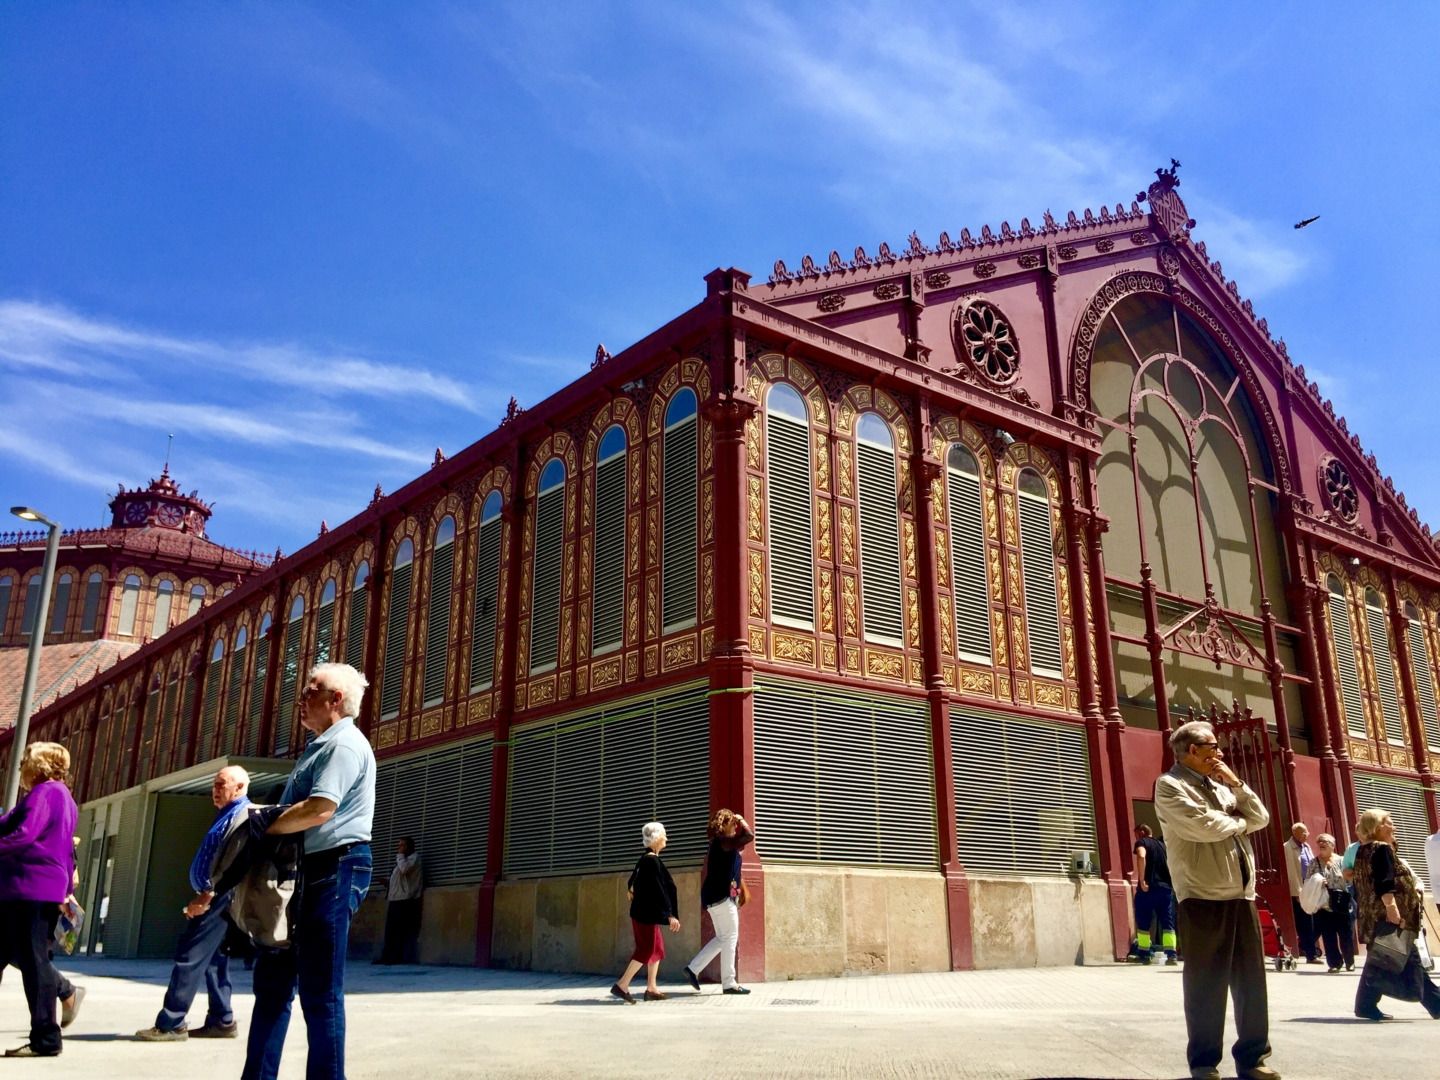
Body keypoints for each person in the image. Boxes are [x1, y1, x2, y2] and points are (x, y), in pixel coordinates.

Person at [230, 662, 376, 1079]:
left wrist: (263, 823)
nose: (303, 694)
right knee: (273, 986)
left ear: (336, 700)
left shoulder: (344, 745)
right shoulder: (318, 747)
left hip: (335, 869)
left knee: (320, 992)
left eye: (314, 688)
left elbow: (319, 809)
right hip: (301, 872)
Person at [1154, 721, 1278, 1080]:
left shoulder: (1222, 788)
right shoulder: (1169, 786)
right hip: (1202, 896)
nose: (1220, 753)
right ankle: (1205, 1063)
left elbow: (1262, 817)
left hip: (1243, 896)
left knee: (1252, 984)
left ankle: (1253, 1059)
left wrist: (1237, 786)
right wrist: (1237, 823)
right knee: (1205, 985)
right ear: (1192, 750)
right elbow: (1202, 827)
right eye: (1212, 746)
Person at [135, 765, 251, 1041]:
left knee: (190, 955)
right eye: (214, 784)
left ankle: (171, 1022)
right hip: (215, 895)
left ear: (239, 788)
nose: (215, 789)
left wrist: (207, 894)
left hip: (219, 897)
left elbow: (233, 864)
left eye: (221, 784)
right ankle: (222, 1020)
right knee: (213, 958)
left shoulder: (242, 816)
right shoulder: (226, 815)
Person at [0, 742, 80, 1058]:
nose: (21, 768)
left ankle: (47, 1038)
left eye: (25, 762)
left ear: (39, 765)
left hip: (29, 889)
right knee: (28, 958)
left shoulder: (46, 793)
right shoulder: (61, 796)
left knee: (36, 963)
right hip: (26, 890)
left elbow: (23, 834)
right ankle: (53, 1020)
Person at [1350, 807, 1440, 1021]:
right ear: (1379, 826)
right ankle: (1436, 1004)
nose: (1394, 826)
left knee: (1386, 959)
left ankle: (1365, 1004)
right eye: (1389, 822)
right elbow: (1384, 883)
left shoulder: (1363, 849)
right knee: (1406, 959)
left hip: (1373, 916)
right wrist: (1392, 910)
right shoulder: (1381, 849)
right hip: (1390, 916)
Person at [683, 808, 754, 994]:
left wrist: (740, 891)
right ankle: (729, 983)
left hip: (716, 897)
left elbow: (731, 869)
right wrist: (743, 821)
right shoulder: (723, 842)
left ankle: (693, 968)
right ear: (727, 824)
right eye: (734, 823)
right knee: (730, 938)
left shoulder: (721, 844)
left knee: (723, 938)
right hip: (721, 898)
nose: (736, 826)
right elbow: (749, 836)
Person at [611, 821, 680, 1004]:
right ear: (656, 838)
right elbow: (658, 890)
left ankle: (651, 988)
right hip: (646, 915)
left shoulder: (645, 860)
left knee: (656, 949)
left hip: (644, 913)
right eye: (664, 834)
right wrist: (669, 915)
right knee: (646, 949)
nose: (666, 837)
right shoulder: (651, 861)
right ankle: (622, 985)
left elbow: (632, 883)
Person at [1308, 833, 1354, 973]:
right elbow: (1308, 882)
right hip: (1324, 905)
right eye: (1319, 842)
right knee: (1328, 936)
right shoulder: (1314, 862)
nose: (1321, 844)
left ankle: (1349, 962)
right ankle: (1334, 963)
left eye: (1325, 842)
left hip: (1341, 902)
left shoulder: (1341, 860)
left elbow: (1349, 880)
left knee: (1346, 934)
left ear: (1332, 846)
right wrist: (1317, 882)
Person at [1132, 824, 1177, 965]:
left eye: (1136, 834)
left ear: (1141, 832)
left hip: (1148, 888)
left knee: (1143, 920)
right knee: (1167, 921)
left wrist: (1142, 880)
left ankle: (1144, 954)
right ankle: (1172, 955)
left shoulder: (1142, 842)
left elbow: (1141, 855)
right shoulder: (1163, 846)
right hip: (1165, 889)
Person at [376, 836, 423, 965]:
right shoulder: (402, 860)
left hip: (405, 900)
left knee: (399, 931)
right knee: (390, 930)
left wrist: (400, 855)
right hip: (395, 898)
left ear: (409, 847)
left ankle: (396, 957)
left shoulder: (414, 858)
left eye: (402, 845)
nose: (399, 848)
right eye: (399, 845)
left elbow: (404, 870)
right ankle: (387, 956)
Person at [1282, 822, 1319, 964]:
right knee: (1305, 922)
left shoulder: (1307, 846)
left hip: (1310, 888)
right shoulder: (1287, 848)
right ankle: (1310, 954)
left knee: (1316, 920)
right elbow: (1291, 872)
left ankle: (1307, 948)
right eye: (1303, 832)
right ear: (1294, 833)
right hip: (1298, 891)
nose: (1307, 834)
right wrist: (1297, 892)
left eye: (1307, 832)